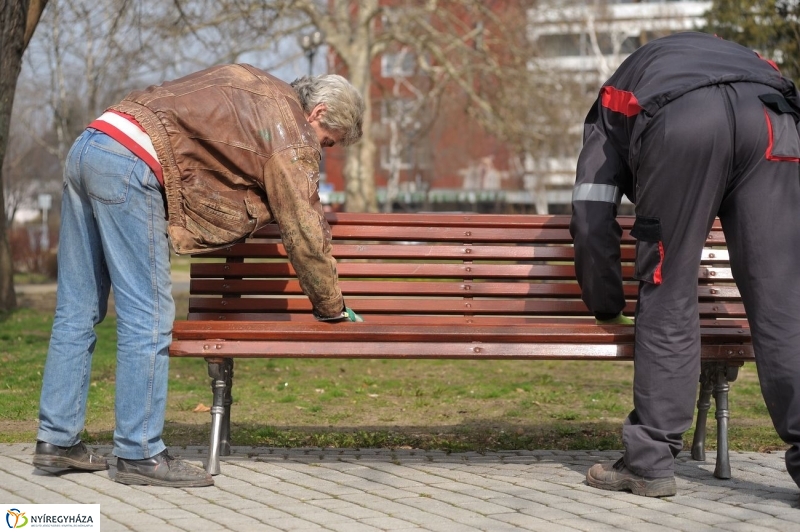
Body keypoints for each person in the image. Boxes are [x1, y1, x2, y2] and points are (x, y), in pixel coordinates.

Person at [33, 65, 365, 487]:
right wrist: (331, 306)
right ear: (318, 113)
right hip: (130, 164)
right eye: (328, 142)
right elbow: (303, 226)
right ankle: (139, 453)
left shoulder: (254, 82)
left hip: (91, 143)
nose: (322, 150)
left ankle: (56, 441)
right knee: (149, 315)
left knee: (76, 310)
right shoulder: (290, 127)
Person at [570, 31, 800, 497]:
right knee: (785, 296)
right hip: (773, 116)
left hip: (682, 122)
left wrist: (605, 302)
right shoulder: (751, 59)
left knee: (668, 284)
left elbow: (592, 213)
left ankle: (649, 461)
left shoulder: (618, 92)